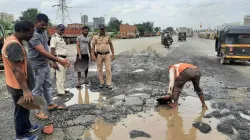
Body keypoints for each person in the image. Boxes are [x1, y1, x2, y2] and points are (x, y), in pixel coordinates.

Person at [28, 13, 71, 120]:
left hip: (45, 64)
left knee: (47, 85)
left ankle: (51, 104)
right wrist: (59, 60)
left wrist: (51, 62)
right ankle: (38, 111)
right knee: (37, 89)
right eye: (42, 24)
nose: (44, 27)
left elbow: (46, 49)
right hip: (37, 65)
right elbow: (42, 51)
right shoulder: (33, 35)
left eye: (46, 25)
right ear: (36, 22)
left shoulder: (44, 32)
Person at [1, 20, 38, 140]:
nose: (32, 36)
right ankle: (22, 135)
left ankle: (27, 127)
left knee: (25, 107)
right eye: (30, 33)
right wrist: (26, 90)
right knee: (21, 111)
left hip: (18, 84)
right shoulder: (14, 45)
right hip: (18, 86)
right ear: (22, 31)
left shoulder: (14, 40)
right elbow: (17, 70)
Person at [91, 24, 115, 89]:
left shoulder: (108, 36)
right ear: (99, 29)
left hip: (107, 54)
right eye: (101, 29)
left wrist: (113, 54)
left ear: (105, 29)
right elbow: (93, 46)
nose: (102, 30)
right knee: (99, 69)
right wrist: (92, 55)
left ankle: (108, 83)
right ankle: (101, 82)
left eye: (103, 29)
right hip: (98, 55)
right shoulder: (95, 36)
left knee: (108, 69)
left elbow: (111, 45)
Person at [50, 24, 69, 95]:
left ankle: (62, 88)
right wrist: (54, 62)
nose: (62, 31)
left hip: (63, 58)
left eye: (63, 29)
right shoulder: (54, 38)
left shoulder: (61, 38)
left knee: (63, 75)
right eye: (61, 29)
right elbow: (52, 50)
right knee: (59, 75)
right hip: (58, 58)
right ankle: (60, 91)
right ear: (57, 29)